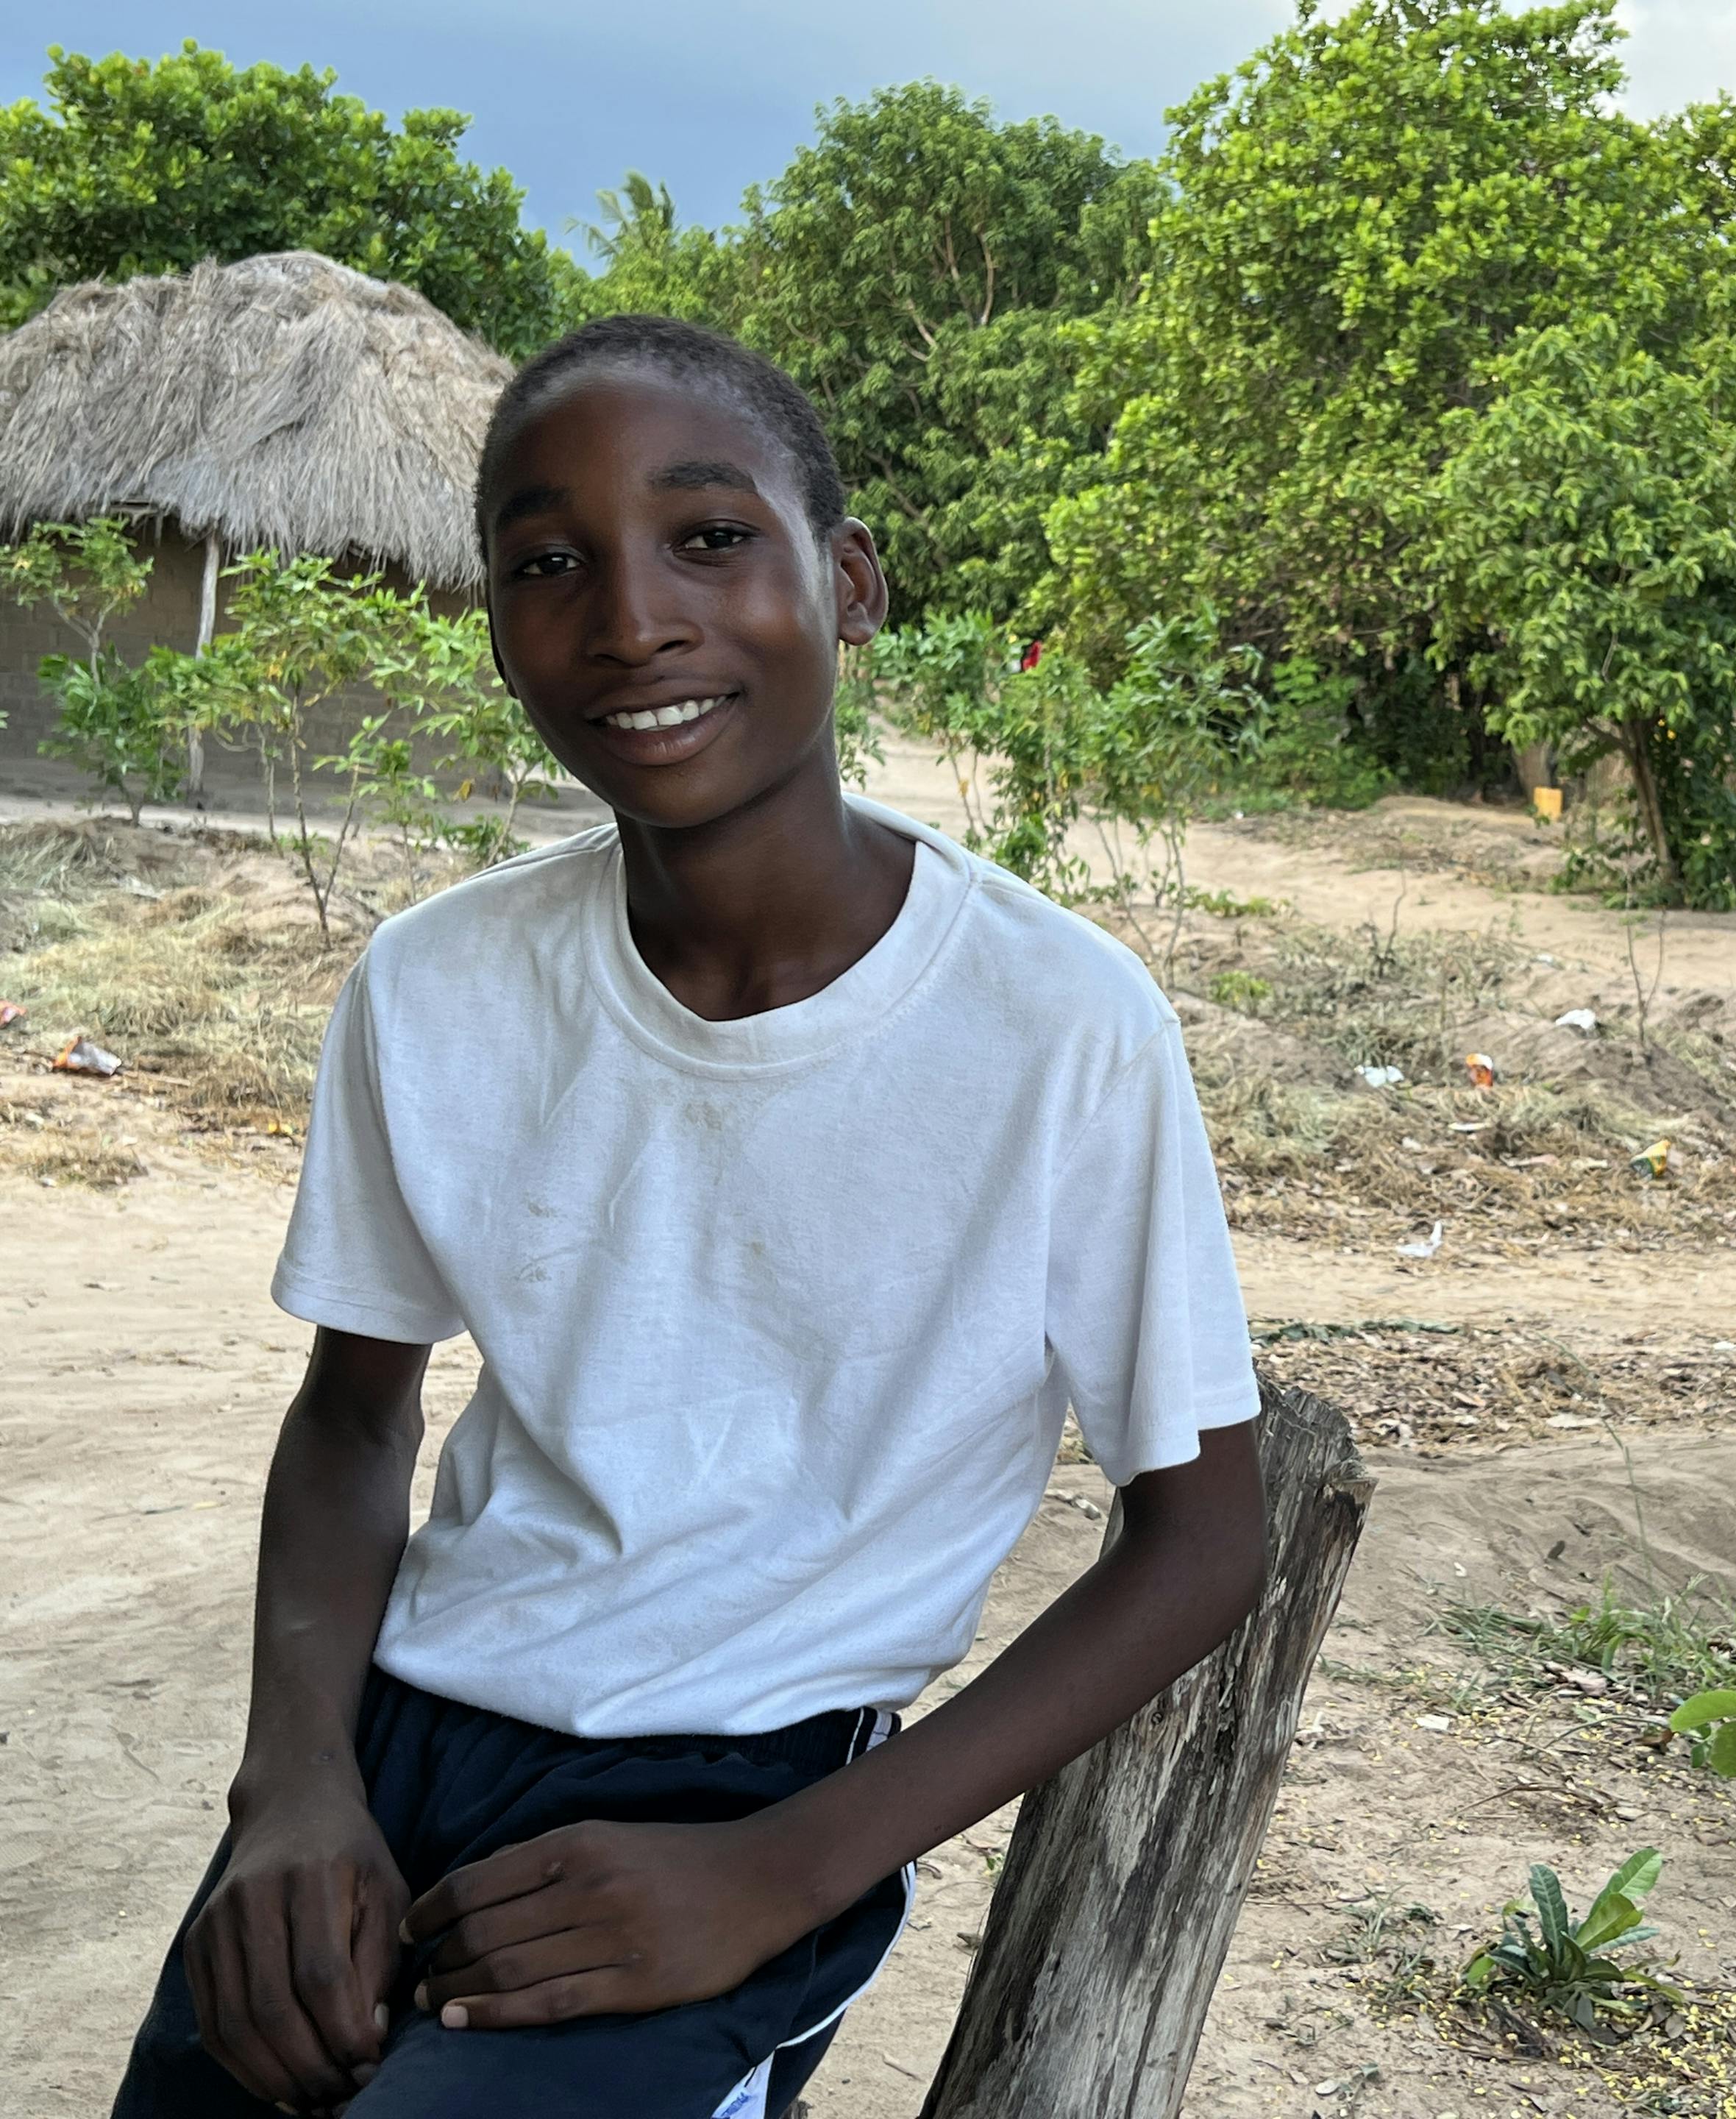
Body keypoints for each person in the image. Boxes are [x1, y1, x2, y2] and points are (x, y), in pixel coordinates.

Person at [111, 315, 1269, 2119]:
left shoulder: (1056, 1026)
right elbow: (353, 1414)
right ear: (493, 622)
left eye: (708, 536)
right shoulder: (436, 988)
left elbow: (1203, 1537)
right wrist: (293, 1788)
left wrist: (784, 1875)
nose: (631, 618)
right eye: (547, 564)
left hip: (743, 1798)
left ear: (851, 581)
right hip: (399, 1737)